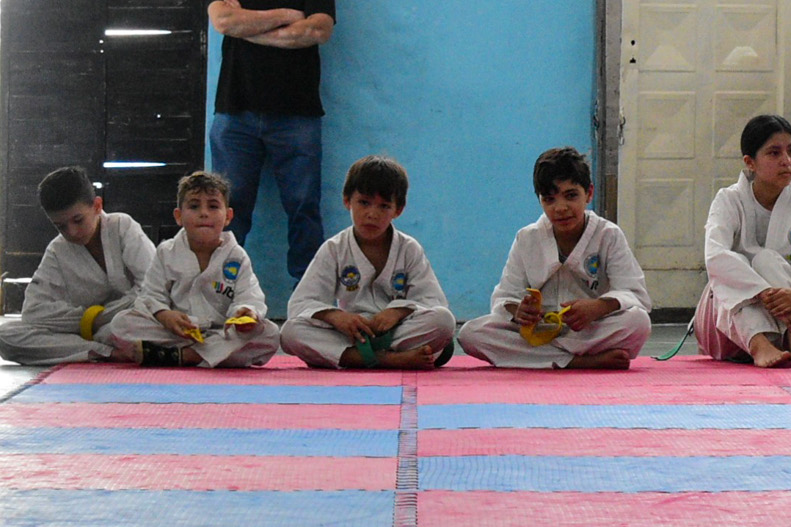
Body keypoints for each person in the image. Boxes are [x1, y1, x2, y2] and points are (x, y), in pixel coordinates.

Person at [206, 0, 336, 280]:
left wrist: (248, 24)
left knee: (304, 208)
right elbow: (223, 21)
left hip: (297, 113)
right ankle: (223, 290)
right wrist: (287, 14)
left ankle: (309, 298)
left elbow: (317, 31)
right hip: (236, 111)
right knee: (228, 211)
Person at [457, 148, 652, 369]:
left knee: (638, 322)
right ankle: (578, 361)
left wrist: (598, 307)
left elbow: (634, 293)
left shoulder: (608, 235)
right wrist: (519, 311)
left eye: (571, 195)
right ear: (539, 200)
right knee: (471, 333)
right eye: (549, 199)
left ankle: (543, 357)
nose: (560, 208)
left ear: (589, 193)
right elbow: (505, 297)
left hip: (589, 329)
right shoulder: (527, 238)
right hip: (539, 330)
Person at [280, 156, 457, 370]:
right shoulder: (334, 249)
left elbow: (432, 299)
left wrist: (398, 311)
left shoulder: (409, 248)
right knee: (291, 332)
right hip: (351, 333)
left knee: (443, 321)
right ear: (347, 200)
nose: (372, 214)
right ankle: (387, 359)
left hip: (397, 330)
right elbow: (301, 303)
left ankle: (355, 357)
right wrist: (335, 316)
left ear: (398, 210)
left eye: (384, 206)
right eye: (364, 202)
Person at [105, 170, 279, 368]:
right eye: (194, 206)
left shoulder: (236, 256)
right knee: (121, 323)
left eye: (213, 206)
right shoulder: (166, 252)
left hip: (222, 331)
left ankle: (187, 356)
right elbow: (151, 295)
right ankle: (212, 353)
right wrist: (164, 314)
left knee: (270, 335)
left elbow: (248, 295)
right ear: (178, 216)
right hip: (179, 331)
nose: (204, 213)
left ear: (228, 216)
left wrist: (245, 312)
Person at [694, 114, 791, 368]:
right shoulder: (728, 200)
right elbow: (715, 257)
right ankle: (759, 343)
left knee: (767, 260)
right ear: (750, 162)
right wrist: (762, 291)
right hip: (727, 327)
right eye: (774, 153)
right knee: (732, 269)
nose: (786, 160)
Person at [0, 167, 155, 365]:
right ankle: (103, 351)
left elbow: (152, 290)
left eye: (78, 220)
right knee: (6, 335)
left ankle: (100, 345)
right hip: (83, 334)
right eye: (60, 226)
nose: (72, 232)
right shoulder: (57, 250)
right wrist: (87, 320)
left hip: (131, 323)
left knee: (128, 323)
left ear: (97, 205)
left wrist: (99, 317)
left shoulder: (122, 227)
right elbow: (33, 313)